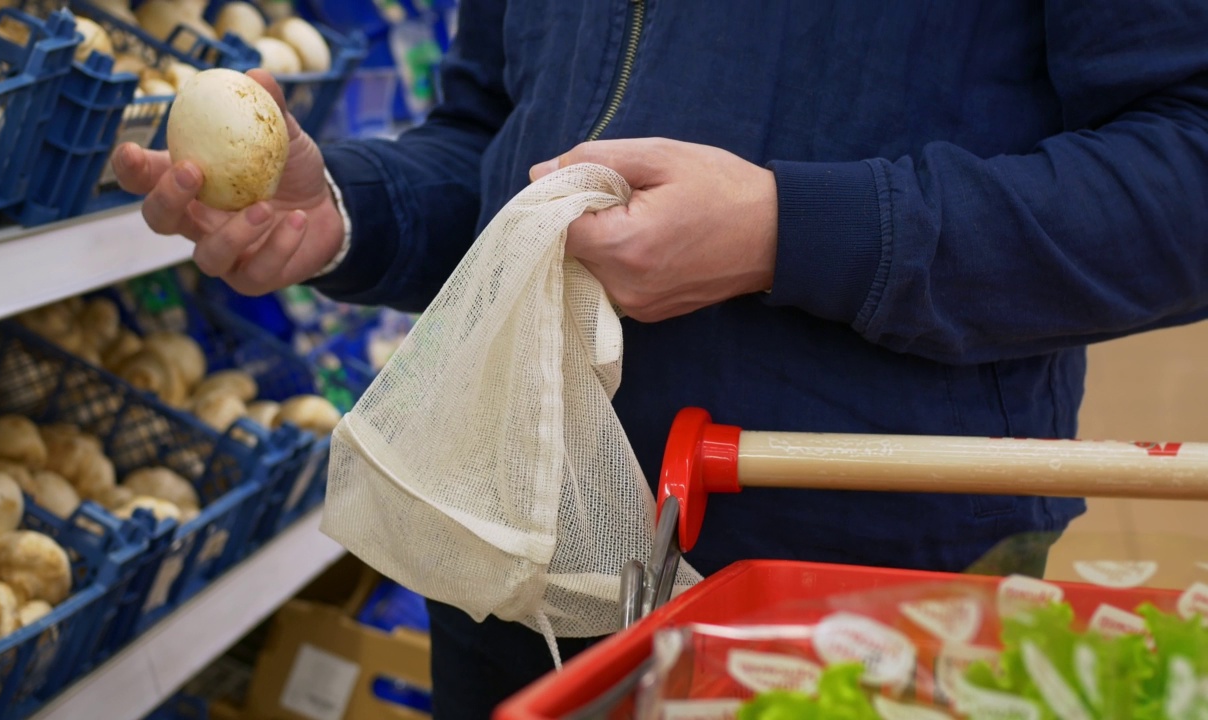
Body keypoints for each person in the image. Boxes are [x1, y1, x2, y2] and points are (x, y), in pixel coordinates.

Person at [114, 2, 1208, 716]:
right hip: (518, 564)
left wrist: (791, 231)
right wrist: (347, 210)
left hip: (853, 585)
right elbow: (503, 140)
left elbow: (1185, 170)